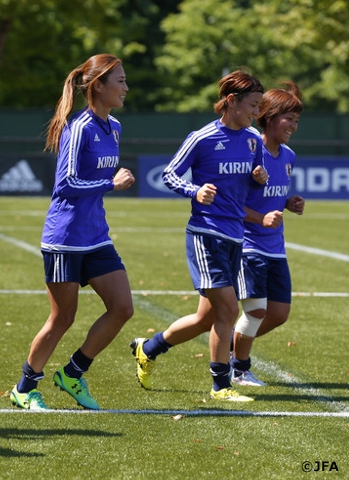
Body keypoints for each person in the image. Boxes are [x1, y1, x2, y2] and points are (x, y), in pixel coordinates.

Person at [129, 70, 268, 402]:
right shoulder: (202, 137)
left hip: (236, 234)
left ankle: (148, 348)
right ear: (231, 101)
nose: (256, 112)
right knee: (228, 310)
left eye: (260, 106)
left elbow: (248, 185)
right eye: (252, 104)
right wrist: (195, 190)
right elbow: (169, 174)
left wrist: (258, 179)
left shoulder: (252, 140)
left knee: (207, 318)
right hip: (206, 234)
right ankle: (221, 386)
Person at [10, 53, 135, 411]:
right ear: (99, 86)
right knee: (62, 317)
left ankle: (72, 373)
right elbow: (65, 184)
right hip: (64, 239)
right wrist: (109, 183)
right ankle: (24, 388)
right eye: (120, 81)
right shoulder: (79, 128)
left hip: (96, 237)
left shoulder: (115, 127)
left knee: (122, 307)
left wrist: (106, 185)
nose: (126, 87)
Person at [230, 81, 305, 386]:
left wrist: (289, 202)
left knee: (279, 313)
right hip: (249, 245)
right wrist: (261, 218)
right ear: (270, 116)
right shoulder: (249, 150)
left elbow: (271, 196)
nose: (294, 127)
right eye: (289, 119)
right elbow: (232, 201)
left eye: (297, 121)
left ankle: (228, 347)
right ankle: (239, 367)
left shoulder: (288, 156)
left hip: (276, 247)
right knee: (257, 310)